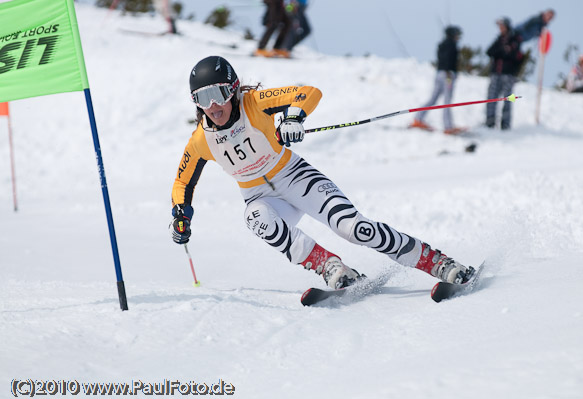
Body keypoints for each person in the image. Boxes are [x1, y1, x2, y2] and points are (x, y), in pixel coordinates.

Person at [170, 55, 476, 291]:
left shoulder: (254, 104)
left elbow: (307, 92)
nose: (212, 105)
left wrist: (293, 117)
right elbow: (183, 181)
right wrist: (181, 214)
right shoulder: (201, 139)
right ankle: (329, 267)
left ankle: (436, 262)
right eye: (202, 98)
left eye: (218, 93)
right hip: (260, 196)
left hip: (295, 178)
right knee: (256, 219)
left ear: (233, 90)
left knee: (354, 229)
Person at [409, 25, 465, 135]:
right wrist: (449, 72)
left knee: (433, 98)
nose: (459, 37)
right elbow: (449, 59)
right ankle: (448, 126)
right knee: (447, 101)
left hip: (439, 74)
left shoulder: (442, 44)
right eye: (457, 34)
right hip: (448, 76)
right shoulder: (452, 45)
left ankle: (418, 118)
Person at [485, 17, 523, 130]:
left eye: (502, 26)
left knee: (508, 99)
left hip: (508, 75)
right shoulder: (499, 39)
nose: (500, 28)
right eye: (499, 26)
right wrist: (502, 50)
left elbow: (516, 56)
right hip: (496, 73)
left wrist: (504, 52)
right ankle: (490, 122)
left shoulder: (515, 40)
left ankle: (505, 124)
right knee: (491, 98)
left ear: (507, 26)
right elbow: (489, 52)